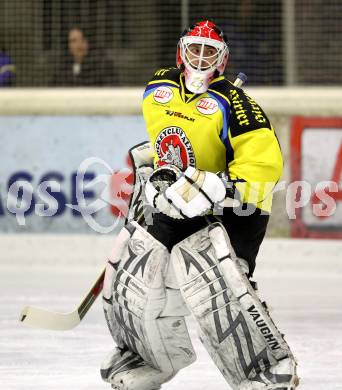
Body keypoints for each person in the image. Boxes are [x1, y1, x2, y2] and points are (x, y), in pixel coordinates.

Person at [101, 20, 298, 390]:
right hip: (176, 201)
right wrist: (155, 168)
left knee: (220, 286)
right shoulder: (158, 87)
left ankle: (268, 367)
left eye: (210, 52)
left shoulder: (237, 103)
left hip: (234, 208)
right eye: (195, 49)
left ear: (222, 60)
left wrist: (218, 186)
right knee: (141, 275)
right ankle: (149, 359)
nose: (201, 58)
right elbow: (168, 143)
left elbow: (263, 167)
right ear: (181, 52)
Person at [52, 27, 117, 86]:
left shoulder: (103, 65)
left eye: (82, 40)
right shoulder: (62, 68)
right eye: (74, 41)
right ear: (68, 45)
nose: (79, 45)